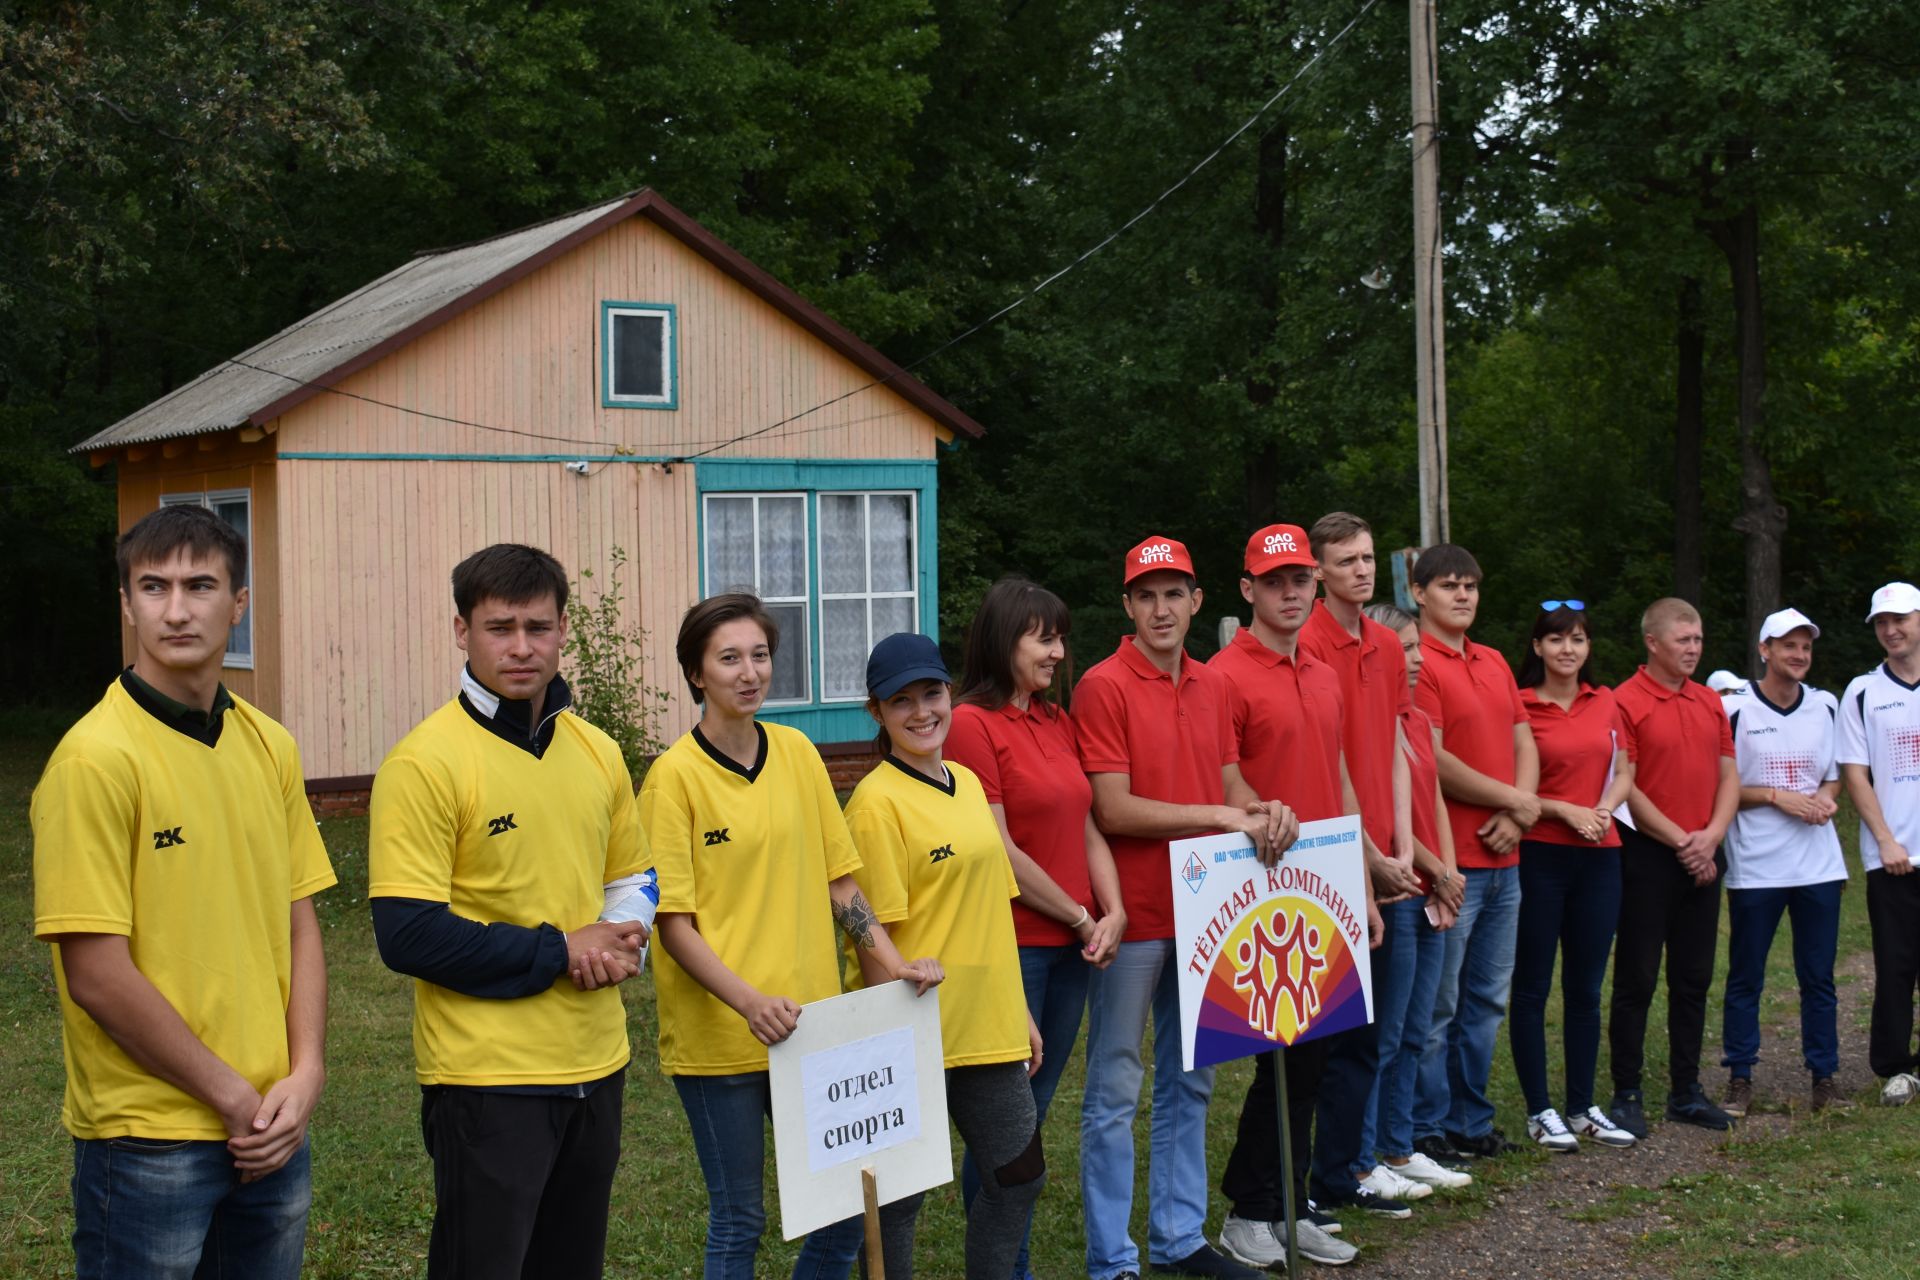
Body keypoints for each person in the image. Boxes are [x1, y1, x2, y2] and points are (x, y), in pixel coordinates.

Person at [32, 504, 336, 1280]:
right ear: (127, 605)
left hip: (274, 1124)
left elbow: (299, 920)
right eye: (153, 587)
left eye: (200, 585)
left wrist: (304, 1075)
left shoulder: (269, 744)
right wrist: (231, 1096)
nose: (176, 609)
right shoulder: (95, 762)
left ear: (237, 605)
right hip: (148, 1136)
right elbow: (95, 973)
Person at [369, 544, 651, 1279]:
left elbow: (633, 877)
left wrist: (625, 942)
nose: (521, 647)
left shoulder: (598, 752)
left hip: (599, 1065)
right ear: (461, 631)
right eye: (500, 628)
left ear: (564, 629)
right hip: (487, 1081)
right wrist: (562, 950)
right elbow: (408, 935)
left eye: (537, 626)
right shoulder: (424, 762)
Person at [643, 593, 942, 1280]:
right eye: (728, 659)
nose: (749, 672)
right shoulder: (672, 781)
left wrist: (893, 966)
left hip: (814, 1029)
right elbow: (674, 926)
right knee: (740, 1219)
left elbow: (843, 885)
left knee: (844, 1211)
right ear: (696, 673)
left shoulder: (802, 755)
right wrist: (750, 1002)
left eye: (759, 655)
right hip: (722, 1041)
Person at [1075, 534, 1292, 1280]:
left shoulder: (1215, 684)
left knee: (1192, 1076)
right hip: (1133, 913)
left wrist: (1260, 810)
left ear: (1198, 601)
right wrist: (1222, 816)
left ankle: (1178, 1238)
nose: (1161, 608)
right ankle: (1112, 1258)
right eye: (1147, 595)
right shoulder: (1102, 685)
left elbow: (1229, 782)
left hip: (1205, 911)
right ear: (1128, 606)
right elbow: (1112, 809)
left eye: (1175, 594)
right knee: (1114, 1085)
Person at [1212, 524, 1390, 1272]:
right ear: (1248, 589)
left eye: (1299, 580)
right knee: (1282, 1056)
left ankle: (1287, 1207)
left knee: (1318, 1053)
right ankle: (1251, 1212)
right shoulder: (1225, 673)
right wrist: (1265, 818)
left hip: (1327, 883)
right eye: (1274, 580)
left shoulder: (1319, 668)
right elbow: (1225, 778)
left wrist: (1364, 880)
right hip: (1262, 884)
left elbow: (1339, 777)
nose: (1290, 592)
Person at [844, 632, 1046, 1280]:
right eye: (900, 701)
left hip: (987, 1026)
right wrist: (888, 1046)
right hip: (914, 1033)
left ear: (949, 693)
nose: (921, 712)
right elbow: (875, 939)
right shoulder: (876, 803)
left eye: (931, 694)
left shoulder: (964, 781)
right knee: (899, 1207)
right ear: (876, 712)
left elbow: (992, 910)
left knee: (1019, 1177)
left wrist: (1019, 1014)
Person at [945, 576, 1125, 1280]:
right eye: (1042, 637)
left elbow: (1085, 821)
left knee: (1032, 1118)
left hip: (1072, 951)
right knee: (1007, 1137)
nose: (1057, 652)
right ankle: (1002, 1270)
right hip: (1012, 949)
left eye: (1060, 638)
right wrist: (1084, 914)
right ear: (1003, 639)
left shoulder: (1058, 720)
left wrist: (1112, 912)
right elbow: (999, 853)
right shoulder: (969, 724)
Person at [1301, 514, 1468, 1198]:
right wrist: (1369, 853)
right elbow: (1329, 760)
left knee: (1388, 1028)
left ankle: (1378, 1155)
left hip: (1391, 860)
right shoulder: (1307, 643)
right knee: (1343, 1035)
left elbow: (1398, 751)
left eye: (1368, 559)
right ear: (1320, 572)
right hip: (1335, 858)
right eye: (1346, 562)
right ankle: (1346, 1168)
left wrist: (1404, 847)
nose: (1362, 571)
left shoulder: (1381, 640)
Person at [1409, 543, 1538, 1161]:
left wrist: (1521, 809)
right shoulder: (1419, 663)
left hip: (1505, 864)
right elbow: (1433, 759)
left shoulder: (1492, 661)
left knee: (1486, 1000)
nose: (1463, 596)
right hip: (1451, 863)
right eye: (1449, 586)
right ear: (1419, 593)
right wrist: (1515, 800)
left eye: (1471, 586)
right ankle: (1428, 1127)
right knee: (1440, 1005)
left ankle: (1470, 1119)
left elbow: (1524, 740)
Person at [1605, 598, 1740, 1136]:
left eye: (1699, 639)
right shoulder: (1623, 701)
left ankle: (1686, 1090)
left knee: (1693, 978)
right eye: (1683, 639)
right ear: (1653, 643)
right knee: (1637, 977)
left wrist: (1710, 838)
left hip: (1705, 851)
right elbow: (1626, 784)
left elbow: (1729, 774)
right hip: (1649, 855)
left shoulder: (1710, 701)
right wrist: (1683, 841)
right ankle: (1627, 1092)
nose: (1694, 648)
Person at [1509, 601, 1638, 1152]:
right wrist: (1565, 811)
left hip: (1600, 855)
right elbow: (1510, 785)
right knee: (1533, 987)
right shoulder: (1518, 705)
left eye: (1578, 640)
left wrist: (1604, 809)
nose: (1569, 650)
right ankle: (1540, 1111)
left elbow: (1626, 770)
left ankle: (1584, 1106)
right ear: (1537, 647)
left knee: (1585, 989)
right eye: (1558, 640)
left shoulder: (1604, 701)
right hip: (1541, 854)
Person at [1721, 607, 1851, 1116]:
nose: (1799, 655)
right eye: (1788, 646)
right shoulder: (1736, 707)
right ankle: (1740, 1076)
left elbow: (1836, 772)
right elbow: (1722, 786)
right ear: (1765, 650)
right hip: (1757, 865)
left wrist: (1825, 797)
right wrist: (1778, 796)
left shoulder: (1825, 705)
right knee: (1746, 974)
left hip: (1818, 864)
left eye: (1806, 647)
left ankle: (1824, 1077)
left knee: (1818, 975)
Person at [1362, 604, 1470, 1189]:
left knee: (1417, 1025)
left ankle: (1399, 1145)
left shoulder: (1421, 719)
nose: (1416, 659)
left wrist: (1448, 872)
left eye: (1416, 649)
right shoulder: (1373, 721)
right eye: (1403, 649)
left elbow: (1434, 805)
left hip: (1431, 887)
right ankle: (1368, 1152)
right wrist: (1436, 871)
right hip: (1399, 887)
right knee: (1387, 1028)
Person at [1838, 582, 1920, 1106]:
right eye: (1881, 623)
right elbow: (1854, 772)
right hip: (1894, 857)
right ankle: (1896, 1068)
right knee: (1895, 964)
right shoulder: (1863, 691)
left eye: (1900, 619)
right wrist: (1886, 840)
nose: (1890, 630)